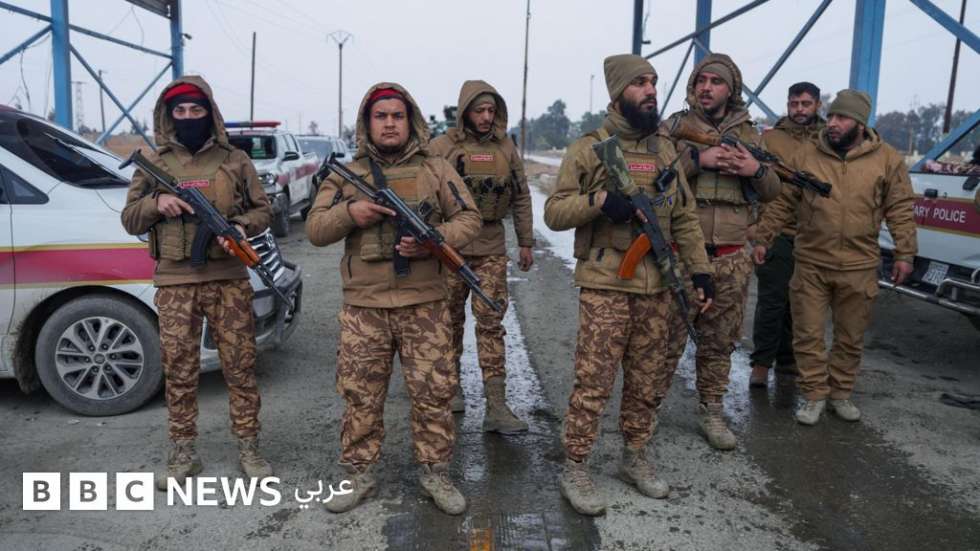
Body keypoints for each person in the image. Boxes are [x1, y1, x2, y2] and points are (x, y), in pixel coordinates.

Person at [544, 54, 714, 516]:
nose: (651, 90)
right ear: (619, 92)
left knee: (646, 381)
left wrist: (700, 271)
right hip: (606, 286)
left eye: (654, 81)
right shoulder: (589, 148)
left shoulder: (666, 150)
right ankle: (576, 464)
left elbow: (685, 218)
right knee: (593, 381)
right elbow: (555, 211)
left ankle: (635, 456)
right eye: (640, 83)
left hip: (658, 288)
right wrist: (600, 201)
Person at [306, 83, 482, 515]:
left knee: (434, 393)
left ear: (410, 122)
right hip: (365, 307)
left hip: (425, 304)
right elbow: (315, 229)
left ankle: (436, 473)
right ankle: (359, 474)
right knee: (360, 395)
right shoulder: (345, 174)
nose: (389, 124)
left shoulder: (436, 169)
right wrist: (351, 213)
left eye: (397, 116)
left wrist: (434, 240)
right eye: (380, 116)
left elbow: (470, 218)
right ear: (367, 124)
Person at [120, 76, 274, 490]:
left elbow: (263, 210)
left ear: (210, 113)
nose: (188, 117)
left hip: (228, 279)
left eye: (196, 109)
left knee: (240, 366)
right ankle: (183, 452)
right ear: (170, 115)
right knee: (180, 369)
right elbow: (129, 218)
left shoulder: (235, 159)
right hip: (175, 282)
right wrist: (157, 202)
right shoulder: (154, 162)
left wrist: (239, 227)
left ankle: (249, 446)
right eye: (180, 111)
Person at [753, 89, 917, 425]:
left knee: (850, 337)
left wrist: (905, 253)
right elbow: (783, 201)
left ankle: (840, 393)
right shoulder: (807, 154)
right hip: (812, 261)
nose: (833, 124)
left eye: (842, 118)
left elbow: (900, 207)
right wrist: (763, 237)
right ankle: (814, 395)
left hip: (859, 265)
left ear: (859, 123)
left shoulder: (887, 159)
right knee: (808, 335)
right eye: (831, 117)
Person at [663, 53, 782, 450]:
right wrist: (698, 160)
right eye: (701, 80)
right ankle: (646, 408)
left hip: (731, 257)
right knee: (666, 338)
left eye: (716, 82)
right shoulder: (675, 127)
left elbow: (774, 190)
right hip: (682, 253)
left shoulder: (751, 135)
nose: (706, 87)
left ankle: (712, 409)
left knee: (720, 340)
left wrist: (755, 170)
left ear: (731, 90)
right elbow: (654, 175)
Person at [429, 80, 534, 433]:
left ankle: (497, 407)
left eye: (491, 110)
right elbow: (425, 193)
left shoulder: (506, 147)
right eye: (479, 111)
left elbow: (521, 195)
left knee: (491, 323)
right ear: (465, 112)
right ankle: (451, 390)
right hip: (450, 248)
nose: (487, 117)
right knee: (448, 322)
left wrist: (526, 241)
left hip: (490, 246)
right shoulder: (441, 147)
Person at [749, 82, 825, 388]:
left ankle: (788, 360)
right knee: (772, 302)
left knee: (801, 304)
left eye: (806, 103)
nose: (799, 109)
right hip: (776, 230)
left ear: (818, 105)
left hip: (814, 232)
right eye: (794, 104)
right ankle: (761, 364)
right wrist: (758, 228)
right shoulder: (771, 139)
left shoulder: (827, 139)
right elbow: (757, 182)